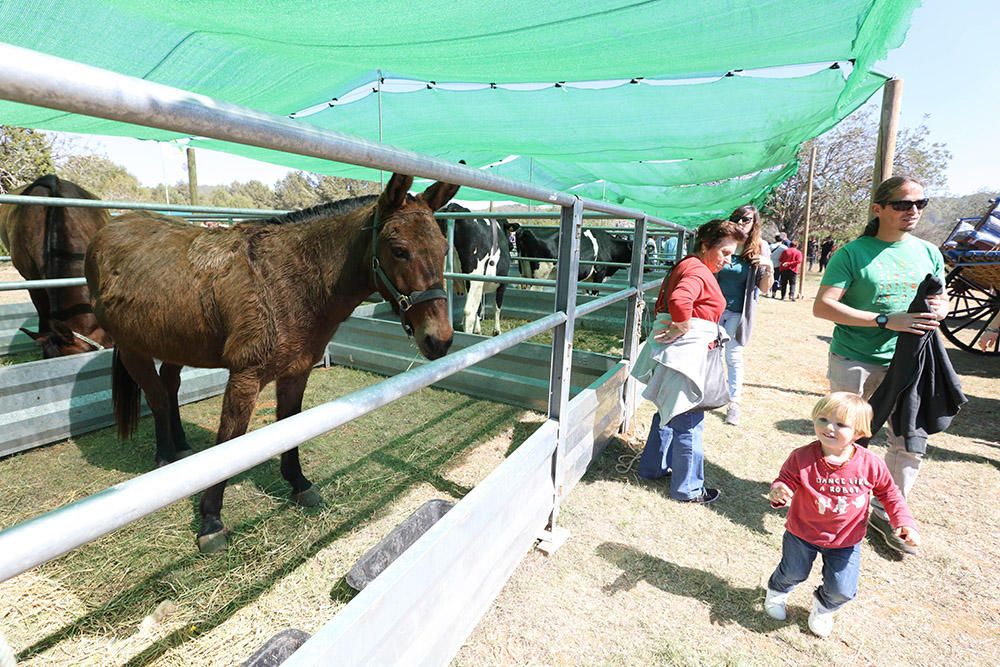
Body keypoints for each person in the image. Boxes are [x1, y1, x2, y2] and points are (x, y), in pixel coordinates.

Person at [813, 175, 947, 555]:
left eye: (920, 204)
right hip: (855, 359)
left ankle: (887, 511)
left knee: (907, 440)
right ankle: (833, 502)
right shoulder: (853, 253)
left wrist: (942, 309)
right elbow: (823, 306)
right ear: (879, 209)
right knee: (845, 437)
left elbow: (942, 297)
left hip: (911, 364)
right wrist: (886, 319)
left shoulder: (928, 252)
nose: (914, 211)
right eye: (903, 204)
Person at [763, 392, 920, 638]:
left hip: (846, 540)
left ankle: (824, 607)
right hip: (802, 532)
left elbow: (890, 493)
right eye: (823, 419)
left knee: (843, 588)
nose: (829, 427)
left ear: (859, 432)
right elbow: (785, 480)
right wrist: (779, 490)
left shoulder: (870, 463)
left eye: (840, 424)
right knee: (794, 571)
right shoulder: (801, 457)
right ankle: (776, 592)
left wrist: (903, 522)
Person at [633, 219, 746, 503]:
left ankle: (652, 468)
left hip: (684, 352)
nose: (728, 260)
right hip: (686, 353)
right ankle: (688, 489)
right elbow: (681, 299)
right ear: (706, 245)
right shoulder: (696, 269)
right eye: (724, 252)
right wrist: (681, 326)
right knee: (689, 419)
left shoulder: (692, 265)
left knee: (670, 411)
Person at [715, 205, 773, 425]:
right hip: (716, 309)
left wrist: (769, 267)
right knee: (714, 353)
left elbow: (765, 288)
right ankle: (714, 393)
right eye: (736, 218)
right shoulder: (726, 241)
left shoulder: (760, 247)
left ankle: (734, 403)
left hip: (740, 311)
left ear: (754, 222)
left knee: (734, 356)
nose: (740, 222)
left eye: (746, 219)